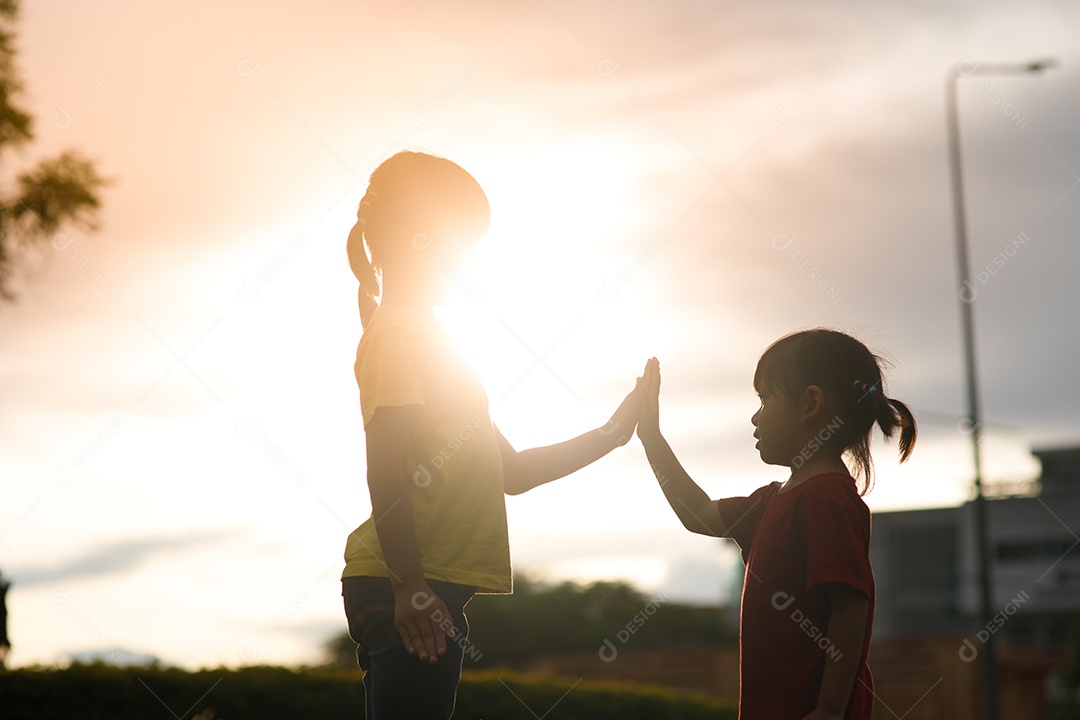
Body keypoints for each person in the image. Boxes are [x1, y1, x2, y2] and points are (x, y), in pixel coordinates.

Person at [340, 150, 640, 719]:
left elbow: (513, 472)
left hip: (431, 585)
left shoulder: (438, 342)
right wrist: (409, 586)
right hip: (402, 583)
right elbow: (384, 466)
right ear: (417, 240)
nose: (473, 259)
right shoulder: (396, 336)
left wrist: (611, 433)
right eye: (465, 242)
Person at [636, 329, 916, 720]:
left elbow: (850, 606)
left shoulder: (826, 499)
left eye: (765, 398)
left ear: (810, 404)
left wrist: (831, 709)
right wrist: (651, 438)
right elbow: (697, 514)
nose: (755, 415)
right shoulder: (770, 502)